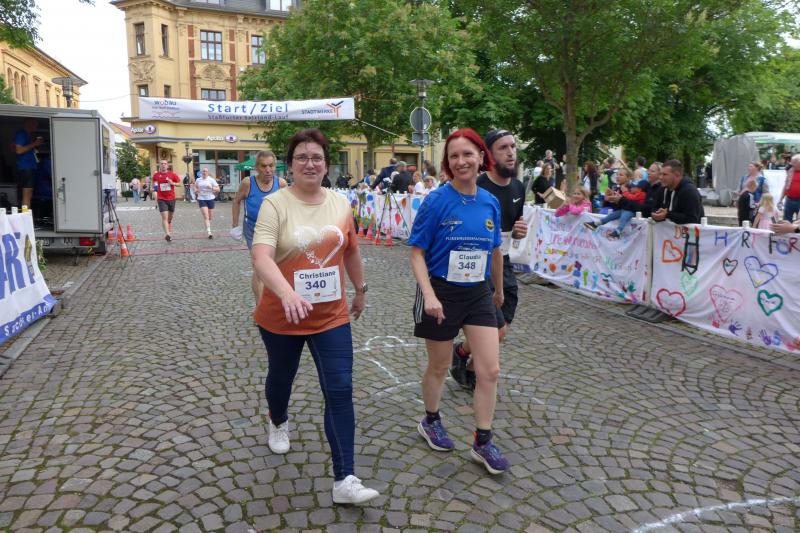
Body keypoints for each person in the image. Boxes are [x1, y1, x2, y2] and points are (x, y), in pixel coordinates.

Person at [251, 128, 379, 504]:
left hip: (330, 316)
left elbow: (350, 250)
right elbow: (261, 256)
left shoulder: (340, 203)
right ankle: (278, 419)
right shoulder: (275, 205)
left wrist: (360, 289)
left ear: (326, 164)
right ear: (290, 165)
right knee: (281, 378)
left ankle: (345, 479)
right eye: (302, 157)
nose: (310, 163)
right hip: (282, 314)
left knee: (339, 389)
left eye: (317, 157)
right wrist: (287, 292)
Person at [408, 128, 508, 475]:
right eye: (454, 156)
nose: (461, 161)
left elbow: (496, 250)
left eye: (467, 154)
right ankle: (431, 420)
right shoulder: (436, 200)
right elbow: (416, 253)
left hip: (478, 292)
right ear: (447, 163)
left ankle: (483, 441)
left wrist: (498, 290)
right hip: (441, 292)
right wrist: (429, 295)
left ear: (481, 157)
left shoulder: (490, 201)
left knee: (489, 370)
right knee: (439, 365)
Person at [450, 129, 528, 393]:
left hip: (502, 263)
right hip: (477, 266)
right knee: (497, 329)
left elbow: (509, 230)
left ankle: (463, 354)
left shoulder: (518, 187)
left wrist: (518, 232)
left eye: (513, 147)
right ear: (489, 155)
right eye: (503, 148)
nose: (511, 153)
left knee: (502, 326)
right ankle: (472, 368)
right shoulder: (478, 185)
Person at [232, 150, 287, 302]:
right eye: (263, 166)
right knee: (259, 267)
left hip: (274, 228)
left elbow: (287, 207)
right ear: (256, 167)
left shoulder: (281, 184)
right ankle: (261, 307)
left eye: (271, 165)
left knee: (275, 266)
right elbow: (236, 201)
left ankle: (274, 299)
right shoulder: (248, 183)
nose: (268, 170)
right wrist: (235, 226)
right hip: (253, 228)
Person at [584, 168, 645, 238]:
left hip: (631, 215)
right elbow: (608, 205)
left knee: (623, 216)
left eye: (621, 175)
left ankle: (617, 232)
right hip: (620, 213)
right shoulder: (616, 188)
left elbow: (632, 203)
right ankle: (596, 224)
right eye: (617, 175)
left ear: (628, 178)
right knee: (611, 215)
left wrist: (618, 199)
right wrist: (608, 198)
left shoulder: (633, 188)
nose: (617, 177)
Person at [651, 159, 704, 224]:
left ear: (677, 175)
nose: (660, 177)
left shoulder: (689, 191)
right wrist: (657, 214)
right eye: (660, 174)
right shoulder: (663, 188)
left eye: (664, 174)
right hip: (668, 230)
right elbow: (655, 208)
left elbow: (692, 218)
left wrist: (667, 214)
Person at [14, 118, 43, 209]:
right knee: (27, 193)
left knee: (28, 194)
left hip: (29, 167)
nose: (36, 126)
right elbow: (19, 150)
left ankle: (25, 213)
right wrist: (34, 144)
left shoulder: (27, 135)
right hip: (26, 167)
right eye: (34, 124)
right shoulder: (21, 134)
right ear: (28, 123)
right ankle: (25, 215)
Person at [152, 160, 182, 241]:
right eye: (162, 164)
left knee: (169, 218)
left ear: (167, 166)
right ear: (159, 165)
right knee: (164, 217)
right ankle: (167, 234)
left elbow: (179, 183)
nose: (163, 165)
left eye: (165, 164)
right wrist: (153, 190)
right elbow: (154, 184)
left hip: (171, 198)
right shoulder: (156, 175)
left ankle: (168, 225)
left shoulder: (172, 174)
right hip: (161, 199)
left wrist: (172, 183)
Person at [193, 168, 221, 238]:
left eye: (206, 171)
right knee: (206, 216)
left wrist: (211, 188)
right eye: (203, 171)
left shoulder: (211, 180)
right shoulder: (198, 180)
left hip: (210, 199)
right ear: (201, 172)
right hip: (201, 199)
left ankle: (208, 225)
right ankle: (209, 232)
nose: (204, 172)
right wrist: (196, 190)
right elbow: (195, 187)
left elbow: (218, 189)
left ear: (208, 172)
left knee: (210, 217)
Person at [777, 154, 800, 222]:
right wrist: (781, 199)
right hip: (789, 199)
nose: (791, 164)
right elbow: (786, 186)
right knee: (786, 220)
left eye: (794, 162)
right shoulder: (790, 171)